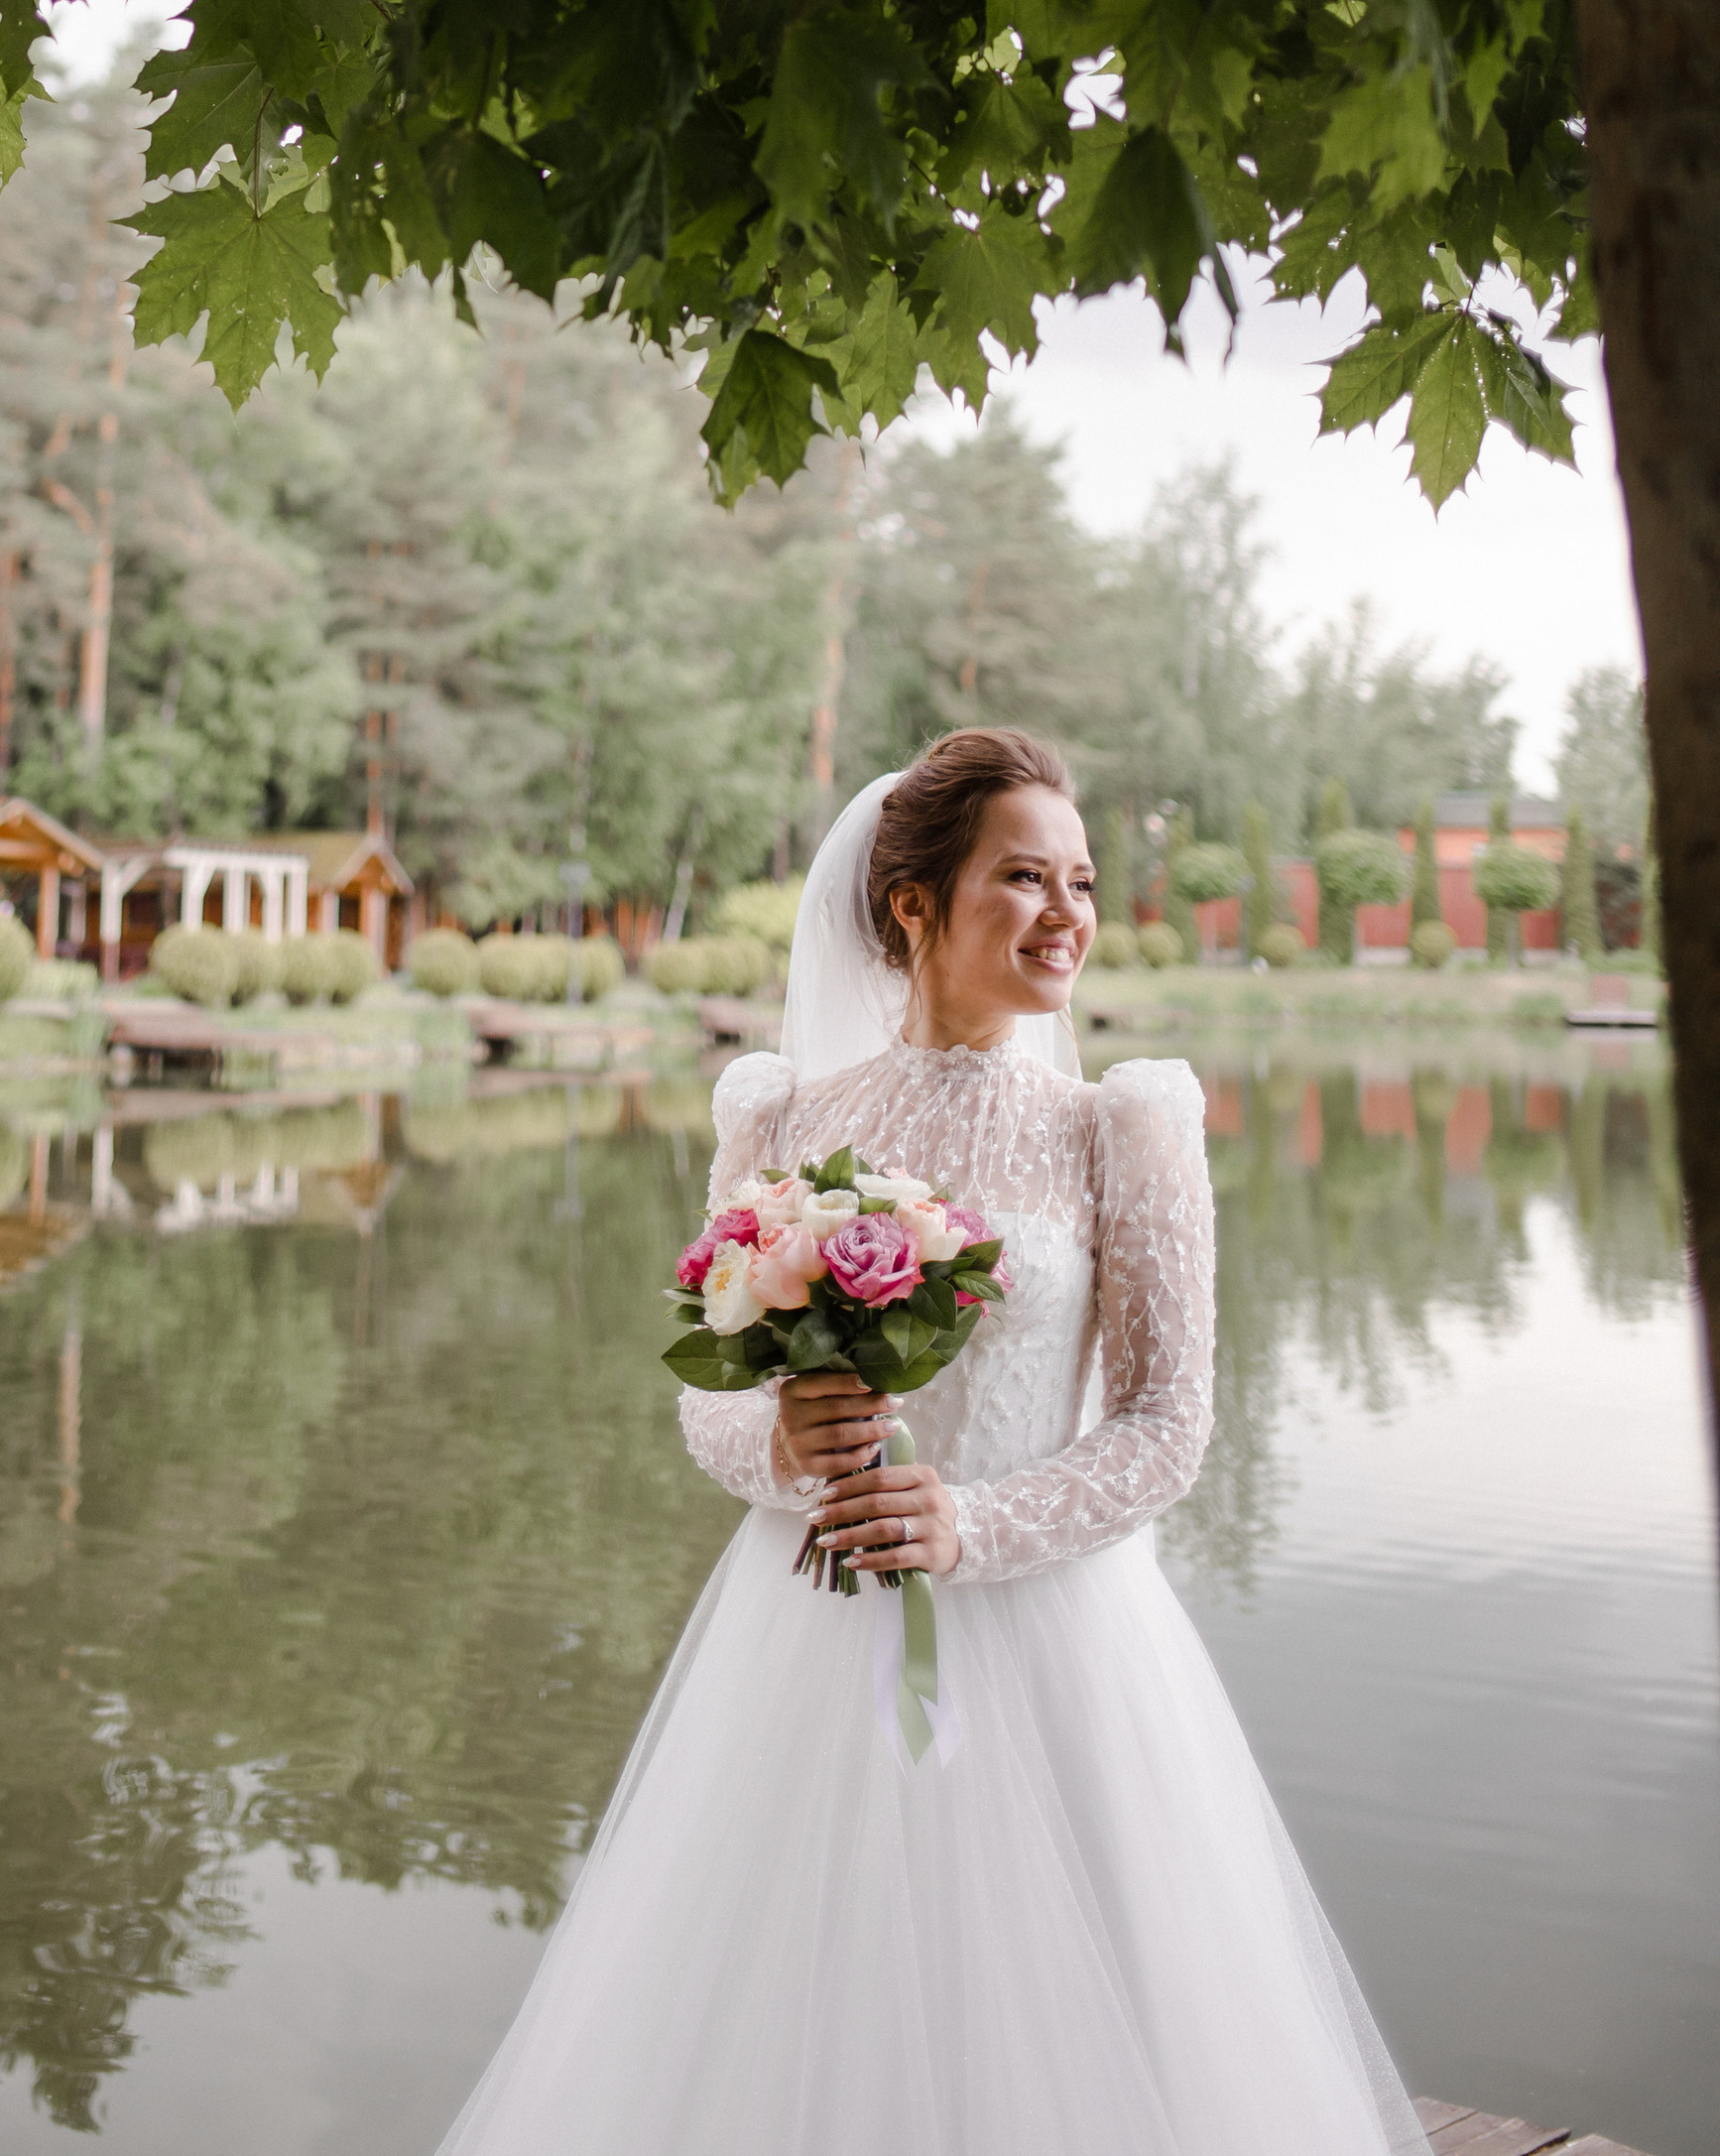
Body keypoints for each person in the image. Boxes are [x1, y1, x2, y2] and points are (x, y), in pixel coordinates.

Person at [432, 726, 1422, 2156]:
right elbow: (705, 1398)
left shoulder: (1120, 1127)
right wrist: (780, 1435)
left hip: (1056, 1638)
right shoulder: (780, 1114)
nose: (1068, 914)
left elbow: (1166, 1426)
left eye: (1080, 880)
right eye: (1025, 878)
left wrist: (977, 1527)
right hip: (807, 1639)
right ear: (914, 906)